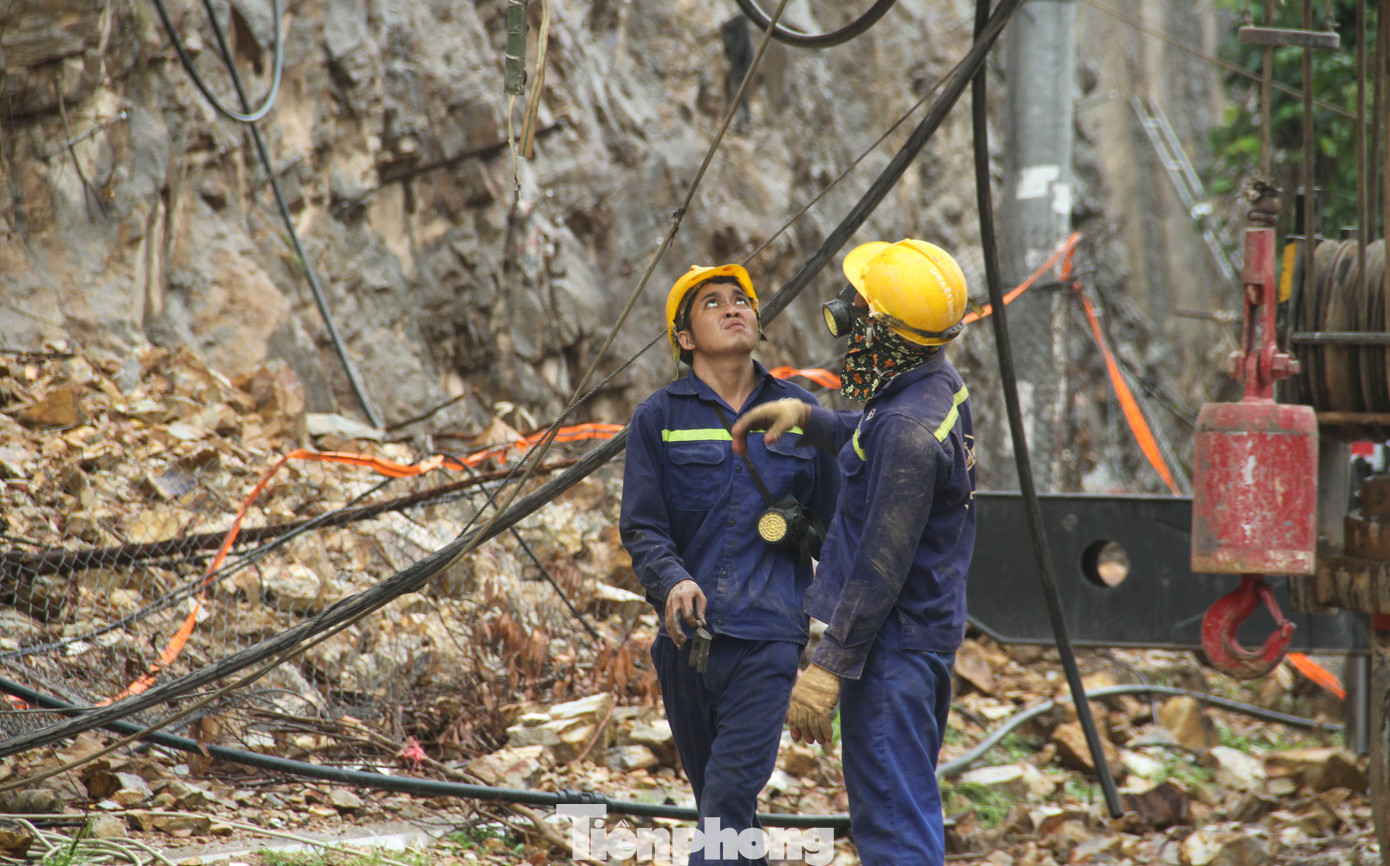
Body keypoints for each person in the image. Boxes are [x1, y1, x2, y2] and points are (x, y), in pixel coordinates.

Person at [731, 239, 976, 865]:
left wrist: (828, 668)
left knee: (892, 819)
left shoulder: (906, 429)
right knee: (907, 801)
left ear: (882, 329)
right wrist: (809, 418)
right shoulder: (932, 388)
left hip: (890, 647)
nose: (843, 316)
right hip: (924, 631)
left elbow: (880, 563)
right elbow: (875, 436)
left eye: (857, 308)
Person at [620, 264, 840, 865]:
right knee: (722, 806)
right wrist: (673, 580)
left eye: (742, 300)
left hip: (768, 638)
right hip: (686, 641)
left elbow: (840, 531)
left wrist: (836, 653)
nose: (733, 307)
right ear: (685, 338)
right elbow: (643, 527)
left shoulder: (800, 411)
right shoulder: (658, 419)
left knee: (726, 798)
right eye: (712, 303)